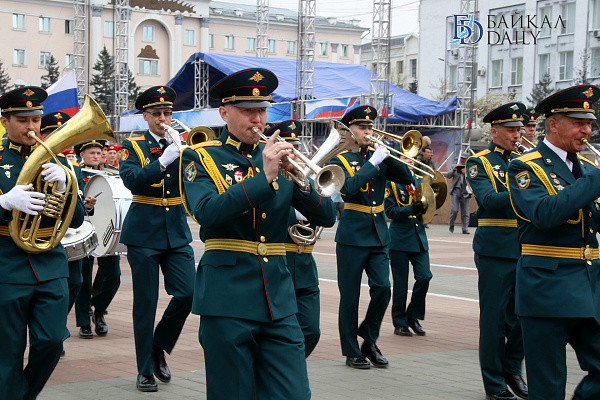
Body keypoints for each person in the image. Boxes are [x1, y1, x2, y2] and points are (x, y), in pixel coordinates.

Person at [181, 68, 336, 399]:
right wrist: (263, 179)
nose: (258, 119)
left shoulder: (280, 158)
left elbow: (327, 215)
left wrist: (301, 180)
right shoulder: (201, 156)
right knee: (232, 393)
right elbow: (207, 212)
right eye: (247, 111)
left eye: (262, 110)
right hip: (227, 298)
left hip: (278, 298)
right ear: (224, 113)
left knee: (294, 393)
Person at [508, 85, 600, 400]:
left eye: (589, 124)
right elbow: (545, 214)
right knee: (548, 387)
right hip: (546, 288)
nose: (586, 130)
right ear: (553, 124)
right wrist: (595, 181)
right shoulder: (526, 165)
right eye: (578, 123)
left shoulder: (587, 169)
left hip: (589, 286)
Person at [0, 86, 85, 398]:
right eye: (23, 120)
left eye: (35, 119)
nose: (31, 127)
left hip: (49, 265)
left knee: (51, 341)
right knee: (7, 352)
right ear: (5, 121)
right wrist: (4, 203)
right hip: (6, 265)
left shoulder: (58, 160)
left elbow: (76, 220)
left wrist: (65, 188)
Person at [119, 86, 196, 392]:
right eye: (157, 114)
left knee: (188, 293)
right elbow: (132, 181)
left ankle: (158, 344)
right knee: (146, 304)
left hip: (176, 230)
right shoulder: (134, 146)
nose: (163, 119)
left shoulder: (182, 144)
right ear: (146, 116)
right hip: (143, 232)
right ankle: (143, 371)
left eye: (167, 113)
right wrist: (162, 161)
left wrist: (185, 154)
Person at [330, 105, 412, 369]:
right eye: (362, 127)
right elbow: (349, 188)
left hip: (378, 234)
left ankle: (369, 338)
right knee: (350, 297)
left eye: (370, 127)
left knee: (383, 289)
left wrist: (388, 156)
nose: (368, 131)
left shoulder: (379, 156)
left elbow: (406, 177)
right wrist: (373, 163)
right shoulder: (341, 159)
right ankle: (351, 350)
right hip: (352, 235)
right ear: (350, 131)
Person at [466, 103, 528, 400]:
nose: (517, 135)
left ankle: (512, 369)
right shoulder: (479, 162)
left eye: (519, 130)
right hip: (495, 250)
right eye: (511, 130)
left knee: (523, 316)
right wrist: (528, 191)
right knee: (494, 320)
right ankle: (494, 383)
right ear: (495, 132)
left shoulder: (524, 161)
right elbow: (489, 200)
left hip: (525, 246)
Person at [265, 120, 336, 358]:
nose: (292, 153)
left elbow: (329, 216)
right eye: (287, 147)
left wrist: (306, 189)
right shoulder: (266, 176)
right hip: (277, 266)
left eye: (295, 147)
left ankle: (286, 369)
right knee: (278, 333)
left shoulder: (304, 176)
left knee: (310, 331)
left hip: (304, 268)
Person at [40, 111, 83, 357]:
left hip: (58, 240)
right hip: (17, 245)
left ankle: (57, 326)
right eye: (52, 134)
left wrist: (65, 188)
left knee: (75, 281)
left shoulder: (68, 166)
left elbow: (77, 218)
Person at [74, 140, 121, 340]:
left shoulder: (111, 174)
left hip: (107, 230)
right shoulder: (76, 174)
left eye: (99, 152)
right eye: (91, 153)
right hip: (82, 230)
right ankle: (84, 322)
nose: (96, 156)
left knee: (114, 275)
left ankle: (99, 309)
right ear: (82, 155)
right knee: (82, 279)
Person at [385, 157, 432, 337]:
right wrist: (411, 209)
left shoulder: (419, 181)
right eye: (405, 157)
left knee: (425, 276)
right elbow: (390, 211)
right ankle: (400, 322)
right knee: (401, 283)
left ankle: (413, 316)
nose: (409, 161)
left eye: (411, 158)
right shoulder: (392, 183)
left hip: (418, 236)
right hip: (400, 238)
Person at [447, 155, 471, 234]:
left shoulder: (470, 167)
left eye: (464, 159)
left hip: (466, 191)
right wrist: (453, 170)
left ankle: (465, 228)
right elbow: (448, 176)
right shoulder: (455, 166)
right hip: (456, 190)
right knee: (454, 209)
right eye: (462, 158)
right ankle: (451, 223)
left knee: (465, 211)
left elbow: (474, 177)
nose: (463, 160)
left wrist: (466, 173)